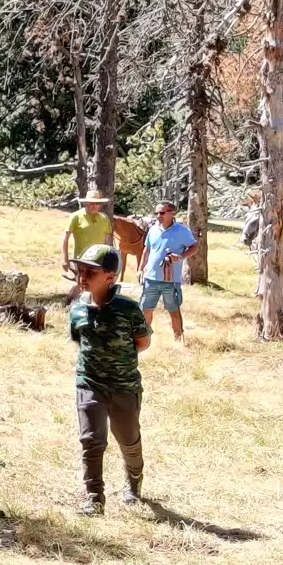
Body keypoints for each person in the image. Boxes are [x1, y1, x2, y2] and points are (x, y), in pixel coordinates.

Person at [67, 244, 150, 516]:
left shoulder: (128, 309)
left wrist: (118, 362)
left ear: (110, 277)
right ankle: (94, 497)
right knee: (91, 439)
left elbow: (142, 341)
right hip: (89, 383)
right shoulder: (77, 309)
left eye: (91, 271)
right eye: (81, 270)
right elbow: (80, 340)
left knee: (127, 438)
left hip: (124, 386)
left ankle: (134, 483)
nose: (83, 275)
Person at [137, 201, 197, 341]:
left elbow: (195, 247)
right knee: (145, 310)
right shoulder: (153, 230)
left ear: (172, 213)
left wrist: (180, 257)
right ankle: (144, 341)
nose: (159, 216)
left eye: (162, 213)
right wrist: (140, 270)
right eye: (157, 213)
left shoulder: (182, 231)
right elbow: (146, 250)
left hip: (171, 281)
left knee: (174, 311)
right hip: (151, 279)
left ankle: (178, 341)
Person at [61, 193, 116, 294]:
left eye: (97, 203)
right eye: (91, 203)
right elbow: (65, 238)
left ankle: (91, 306)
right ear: (86, 203)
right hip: (82, 260)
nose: (94, 206)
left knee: (97, 285)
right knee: (82, 284)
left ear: (100, 205)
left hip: (99, 260)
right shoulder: (76, 217)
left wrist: (110, 258)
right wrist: (65, 259)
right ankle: (72, 303)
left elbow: (108, 240)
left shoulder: (104, 218)